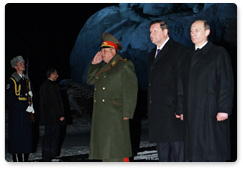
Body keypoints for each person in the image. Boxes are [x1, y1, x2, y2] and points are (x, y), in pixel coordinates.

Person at [176, 19, 234, 161]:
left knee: (212, 150)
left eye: (197, 30)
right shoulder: (186, 56)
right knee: (194, 152)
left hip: (212, 111)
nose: (192, 34)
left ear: (207, 32)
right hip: (192, 111)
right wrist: (181, 109)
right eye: (191, 31)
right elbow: (180, 84)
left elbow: (226, 82)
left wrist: (224, 108)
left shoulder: (218, 53)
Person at [86, 32, 138, 162]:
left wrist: (127, 112)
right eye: (101, 51)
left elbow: (131, 89)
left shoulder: (123, 65)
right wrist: (94, 64)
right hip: (102, 116)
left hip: (116, 115)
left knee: (117, 151)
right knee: (106, 152)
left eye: (104, 51)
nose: (101, 53)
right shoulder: (103, 67)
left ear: (113, 50)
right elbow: (90, 80)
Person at [148, 20, 186, 162]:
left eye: (155, 31)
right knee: (164, 157)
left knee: (179, 156)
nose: (151, 35)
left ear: (165, 32)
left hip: (173, 114)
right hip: (159, 116)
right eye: (150, 32)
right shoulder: (152, 54)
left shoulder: (178, 50)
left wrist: (181, 108)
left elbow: (182, 81)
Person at [6, 55, 34, 162]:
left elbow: (31, 94)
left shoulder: (27, 79)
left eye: (23, 62)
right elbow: (10, 99)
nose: (23, 65)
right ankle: (17, 161)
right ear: (15, 66)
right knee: (17, 137)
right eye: (20, 63)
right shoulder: (11, 81)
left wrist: (31, 102)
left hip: (26, 112)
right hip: (17, 113)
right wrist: (24, 107)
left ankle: (25, 161)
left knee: (26, 137)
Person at [39, 68, 65, 162]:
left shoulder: (43, 86)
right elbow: (56, 101)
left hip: (46, 116)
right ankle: (52, 155)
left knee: (47, 136)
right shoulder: (52, 86)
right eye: (56, 74)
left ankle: (46, 155)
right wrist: (60, 114)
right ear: (52, 74)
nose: (57, 76)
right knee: (54, 136)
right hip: (54, 116)